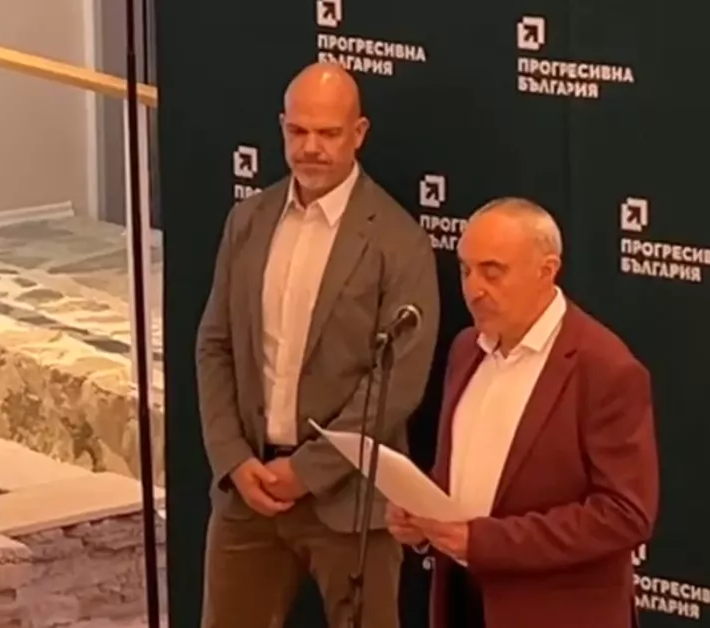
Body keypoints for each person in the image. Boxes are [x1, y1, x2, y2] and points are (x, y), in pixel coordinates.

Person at [195, 61, 439, 628]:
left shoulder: (398, 240)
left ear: (359, 133)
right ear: (281, 127)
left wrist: (307, 470)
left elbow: (396, 383)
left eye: (328, 133)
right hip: (247, 494)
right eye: (298, 131)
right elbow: (215, 345)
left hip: (351, 504)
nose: (311, 148)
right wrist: (233, 459)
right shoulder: (247, 220)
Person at [386, 197, 659, 628]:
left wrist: (485, 542)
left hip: (555, 613)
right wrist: (422, 519)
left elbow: (624, 515)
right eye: (465, 270)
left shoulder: (604, 368)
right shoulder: (466, 349)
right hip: (463, 602)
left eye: (492, 271)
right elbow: (467, 475)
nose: (473, 288)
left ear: (546, 271)